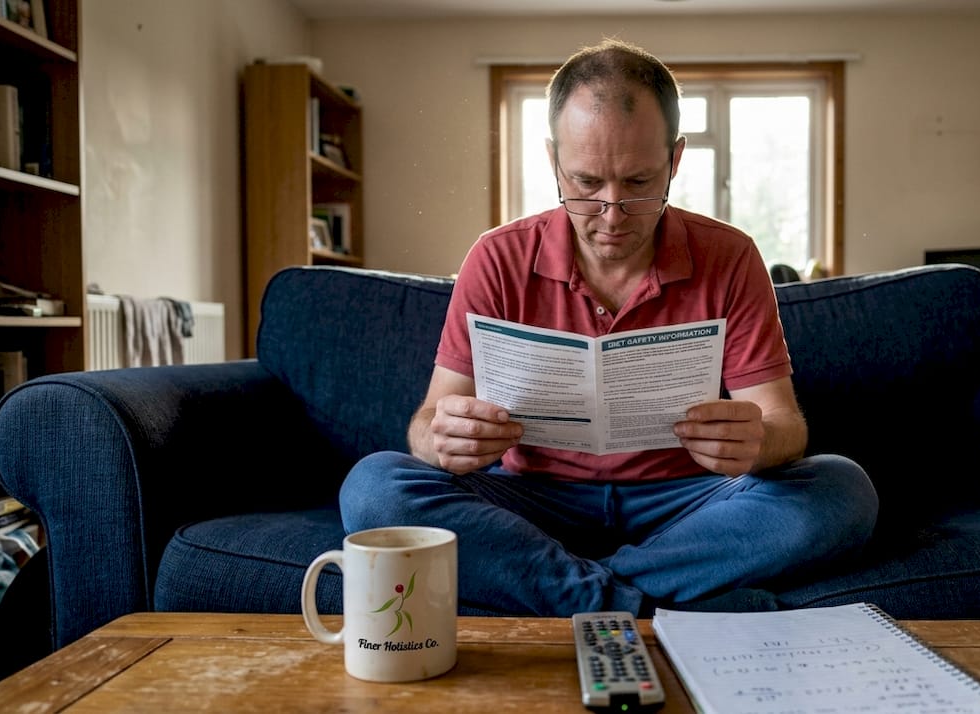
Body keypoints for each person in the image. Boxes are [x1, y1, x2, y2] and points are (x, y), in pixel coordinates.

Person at [340, 38, 878, 616]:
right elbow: (428, 423)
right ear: (553, 162)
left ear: (675, 160)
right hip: (531, 501)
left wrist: (757, 443)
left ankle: (565, 591)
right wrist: (442, 437)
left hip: (686, 503)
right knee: (373, 488)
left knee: (841, 490)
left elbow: (784, 425)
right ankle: (640, 602)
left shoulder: (731, 256)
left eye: (640, 183)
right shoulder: (496, 258)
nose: (613, 213)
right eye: (587, 183)